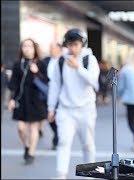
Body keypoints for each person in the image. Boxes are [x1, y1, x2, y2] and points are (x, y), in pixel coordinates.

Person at [47, 28, 100, 179]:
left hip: (86, 110)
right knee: (63, 142)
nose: (72, 48)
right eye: (69, 45)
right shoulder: (61, 61)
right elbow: (55, 85)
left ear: (82, 44)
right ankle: (61, 175)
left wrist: (78, 68)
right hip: (66, 110)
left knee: (88, 145)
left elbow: (95, 83)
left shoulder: (90, 59)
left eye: (75, 44)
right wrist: (51, 108)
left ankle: (91, 173)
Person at [8, 38, 48, 165]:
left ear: (34, 48)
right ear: (21, 48)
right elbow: (13, 84)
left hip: (36, 100)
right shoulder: (17, 64)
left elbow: (47, 81)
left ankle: (31, 153)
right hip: (21, 99)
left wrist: (37, 72)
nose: (27, 48)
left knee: (33, 128)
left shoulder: (41, 63)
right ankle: (26, 145)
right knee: (21, 128)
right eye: (24, 46)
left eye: (30, 46)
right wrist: (11, 100)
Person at [41, 42, 63, 150]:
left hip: (61, 93)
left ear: (59, 49)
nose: (51, 50)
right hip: (47, 92)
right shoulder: (45, 61)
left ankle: (57, 138)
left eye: (53, 48)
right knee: (49, 116)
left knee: (58, 115)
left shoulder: (64, 61)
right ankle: (56, 133)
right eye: (50, 48)